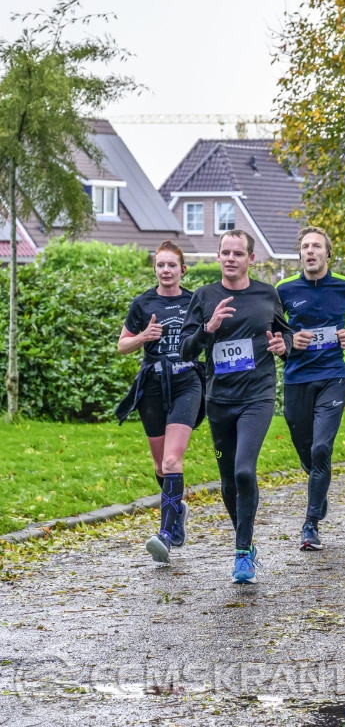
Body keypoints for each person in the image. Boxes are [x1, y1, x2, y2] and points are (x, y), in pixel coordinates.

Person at [180, 229, 292, 583]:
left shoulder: (266, 294)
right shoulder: (204, 296)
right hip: (219, 399)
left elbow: (286, 333)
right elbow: (185, 350)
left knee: (245, 471)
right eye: (225, 253)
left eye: (238, 253)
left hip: (257, 396)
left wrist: (283, 346)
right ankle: (246, 539)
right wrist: (208, 327)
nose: (231, 258)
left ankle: (242, 553)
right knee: (228, 481)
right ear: (218, 257)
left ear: (250, 259)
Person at [277, 227, 345, 551]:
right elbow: (272, 334)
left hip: (332, 376)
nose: (310, 251)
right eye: (305, 247)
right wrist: (290, 341)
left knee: (321, 450)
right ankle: (319, 479)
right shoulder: (284, 289)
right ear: (300, 254)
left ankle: (310, 524)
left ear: (328, 254)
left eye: (317, 246)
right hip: (296, 379)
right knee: (308, 451)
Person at [115, 241, 204, 564]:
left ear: (182, 269)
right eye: (160, 265)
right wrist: (143, 338)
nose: (166, 271)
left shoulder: (194, 301)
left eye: (171, 265)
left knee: (171, 462)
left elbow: (207, 336)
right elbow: (122, 346)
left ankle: (166, 534)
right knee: (158, 466)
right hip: (152, 384)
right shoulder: (143, 303)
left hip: (186, 382)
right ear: (155, 269)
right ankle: (177, 509)